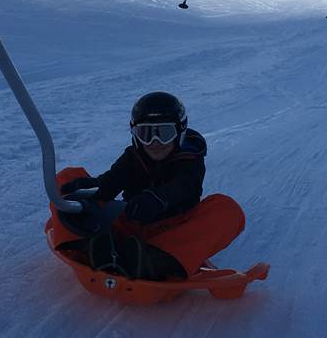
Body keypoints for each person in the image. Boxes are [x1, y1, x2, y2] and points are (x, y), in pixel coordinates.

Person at [48, 91, 245, 281]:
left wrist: (157, 199)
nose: (155, 142)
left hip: (173, 231)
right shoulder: (133, 156)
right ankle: (89, 244)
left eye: (164, 133)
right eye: (146, 133)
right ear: (135, 134)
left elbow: (184, 186)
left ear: (180, 133)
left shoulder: (190, 160)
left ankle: (150, 261)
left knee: (228, 210)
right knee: (66, 178)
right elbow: (111, 182)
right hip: (131, 224)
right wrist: (92, 187)